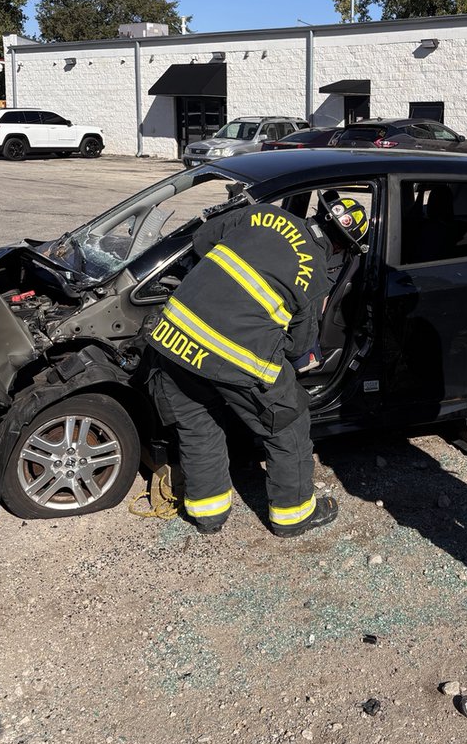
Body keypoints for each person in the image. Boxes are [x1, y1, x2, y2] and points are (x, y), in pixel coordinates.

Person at [146, 190, 369, 537]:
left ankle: (209, 516)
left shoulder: (263, 214)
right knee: (289, 424)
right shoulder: (314, 273)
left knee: (198, 424)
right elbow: (299, 346)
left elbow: (203, 240)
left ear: (319, 214)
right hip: (233, 357)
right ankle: (293, 516)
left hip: (173, 338)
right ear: (341, 247)